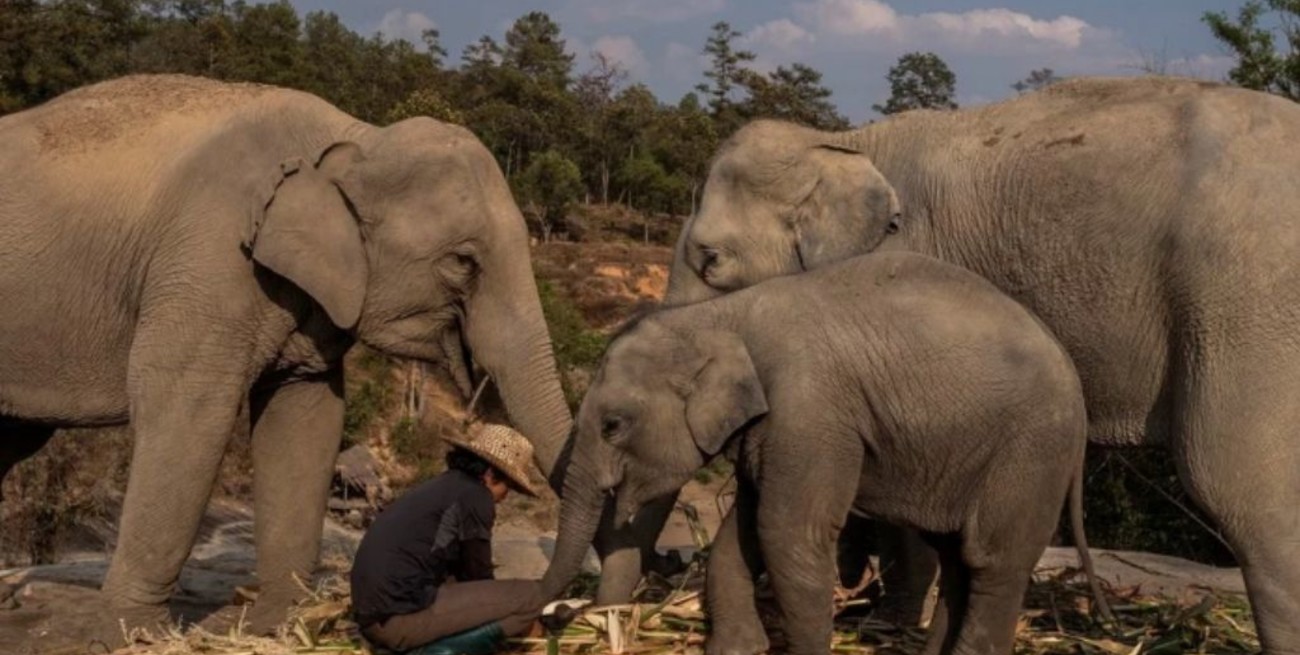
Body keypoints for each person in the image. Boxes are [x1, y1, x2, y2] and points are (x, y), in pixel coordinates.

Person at [351, 423, 547, 655]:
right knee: (530, 597)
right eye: (509, 487)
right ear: (490, 474)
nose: (505, 496)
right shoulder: (476, 496)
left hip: (375, 618)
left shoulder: (445, 486)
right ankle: (437, 651)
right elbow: (478, 574)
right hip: (398, 622)